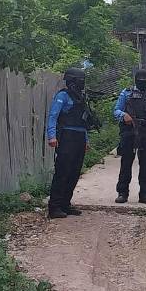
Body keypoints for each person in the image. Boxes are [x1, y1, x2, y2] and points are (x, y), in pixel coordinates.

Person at [46, 68, 99, 219]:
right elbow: (53, 116)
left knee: (74, 172)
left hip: (79, 137)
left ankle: (65, 204)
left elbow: (83, 121)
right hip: (66, 137)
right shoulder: (63, 96)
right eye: (80, 80)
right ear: (73, 81)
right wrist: (52, 136)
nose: (82, 83)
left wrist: (86, 140)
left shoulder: (81, 97)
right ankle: (54, 206)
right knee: (62, 172)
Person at [113, 70, 146, 205]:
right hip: (129, 131)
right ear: (135, 80)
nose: (142, 82)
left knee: (145, 165)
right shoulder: (127, 93)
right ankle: (122, 193)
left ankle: (145, 194)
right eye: (140, 80)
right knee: (126, 163)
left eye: (144, 80)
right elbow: (116, 110)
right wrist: (123, 115)